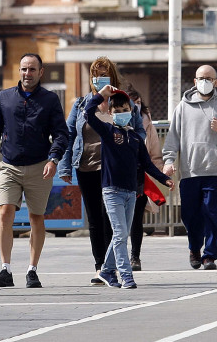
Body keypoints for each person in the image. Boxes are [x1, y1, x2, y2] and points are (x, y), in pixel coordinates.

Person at [0, 53, 69, 289]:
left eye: (31, 69)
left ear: (41, 72)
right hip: (9, 164)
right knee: (5, 211)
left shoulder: (50, 100)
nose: (27, 74)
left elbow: (61, 133)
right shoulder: (5, 97)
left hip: (40, 166)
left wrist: (54, 159)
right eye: (23, 69)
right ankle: (5, 269)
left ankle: (32, 270)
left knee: (36, 217)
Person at [57, 57, 146, 285]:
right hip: (87, 166)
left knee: (113, 222)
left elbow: (139, 133)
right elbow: (70, 136)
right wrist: (64, 165)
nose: (100, 78)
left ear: (113, 76)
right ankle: (100, 267)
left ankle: (112, 267)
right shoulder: (81, 104)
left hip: (114, 170)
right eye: (96, 74)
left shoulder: (124, 104)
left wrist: (132, 154)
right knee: (95, 219)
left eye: (104, 73)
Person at [85, 85, 173, 289]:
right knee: (119, 233)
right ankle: (126, 275)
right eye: (117, 111)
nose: (121, 114)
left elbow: (147, 163)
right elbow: (88, 114)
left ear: (131, 111)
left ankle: (107, 270)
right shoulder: (108, 132)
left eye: (125, 110)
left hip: (131, 192)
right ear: (110, 113)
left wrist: (163, 179)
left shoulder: (135, 138)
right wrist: (101, 95)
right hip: (112, 190)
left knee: (122, 234)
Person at [162, 65, 217, 271]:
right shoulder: (182, 108)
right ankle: (194, 248)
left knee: (213, 215)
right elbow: (172, 140)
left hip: (216, 171)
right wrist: (169, 161)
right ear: (194, 81)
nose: (205, 81)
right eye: (201, 78)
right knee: (190, 215)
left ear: (216, 82)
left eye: (209, 78)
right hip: (190, 172)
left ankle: (210, 256)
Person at [126, 87, 165, 271]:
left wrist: (162, 175)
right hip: (118, 176)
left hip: (140, 176)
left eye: (139, 102)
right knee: (115, 221)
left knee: (136, 219)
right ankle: (112, 259)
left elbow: (155, 155)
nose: (136, 106)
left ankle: (135, 256)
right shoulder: (114, 121)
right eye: (132, 102)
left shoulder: (147, 123)